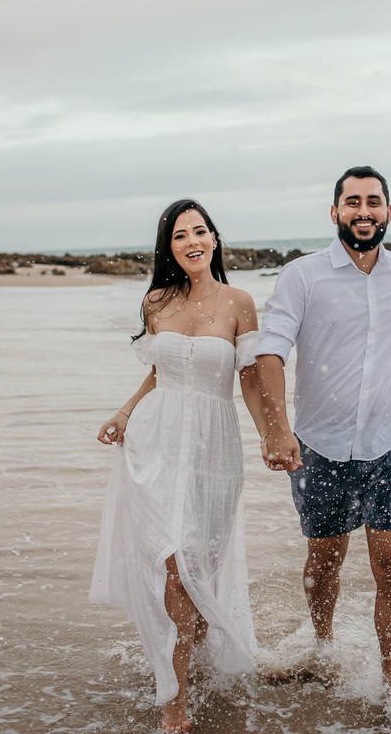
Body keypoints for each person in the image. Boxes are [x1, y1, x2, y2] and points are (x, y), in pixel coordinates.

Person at [257, 166, 391, 719]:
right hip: (319, 447)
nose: (364, 210)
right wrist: (278, 429)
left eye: (374, 201)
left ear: (388, 211)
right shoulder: (303, 276)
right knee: (325, 562)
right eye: (352, 201)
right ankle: (323, 642)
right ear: (334, 212)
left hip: (390, 440)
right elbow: (270, 352)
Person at [91, 198, 268, 733]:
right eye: (178, 236)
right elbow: (158, 373)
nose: (191, 242)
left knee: (199, 565)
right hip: (157, 442)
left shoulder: (240, 303)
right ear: (168, 248)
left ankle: (190, 651)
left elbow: (252, 382)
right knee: (174, 562)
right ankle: (177, 698)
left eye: (199, 231)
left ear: (215, 239)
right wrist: (125, 412)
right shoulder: (156, 302)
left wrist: (273, 438)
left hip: (215, 451)